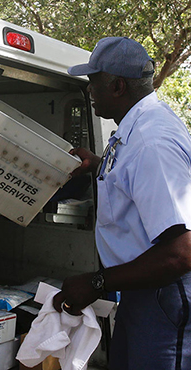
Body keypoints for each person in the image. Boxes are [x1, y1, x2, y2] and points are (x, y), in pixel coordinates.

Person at [52, 37, 191, 370]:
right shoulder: (137, 126)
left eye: (93, 82)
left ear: (117, 86)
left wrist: (96, 283)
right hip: (143, 290)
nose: (89, 91)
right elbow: (133, 177)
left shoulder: (150, 141)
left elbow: (182, 251)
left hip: (165, 294)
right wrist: (97, 164)